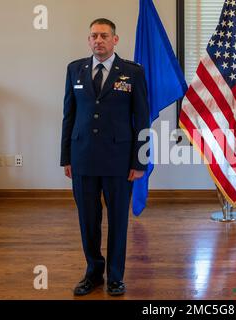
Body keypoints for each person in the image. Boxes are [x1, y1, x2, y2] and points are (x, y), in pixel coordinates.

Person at [60, 18, 150, 296]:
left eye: (103, 35)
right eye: (93, 36)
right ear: (89, 41)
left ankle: (115, 276)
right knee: (88, 219)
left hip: (119, 160)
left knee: (118, 220)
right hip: (83, 156)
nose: (98, 40)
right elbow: (69, 115)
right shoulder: (75, 69)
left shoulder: (132, 72)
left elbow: (142, 118)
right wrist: (66, 157)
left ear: (115, 40)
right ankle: (93, 272)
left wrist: (139, 161)